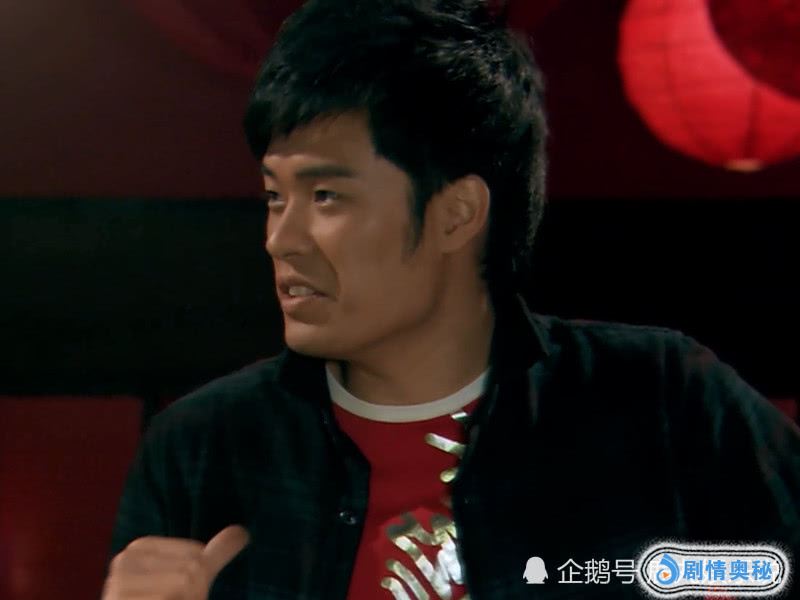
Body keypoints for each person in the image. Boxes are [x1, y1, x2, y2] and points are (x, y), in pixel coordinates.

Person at [103, 0, 800, 599]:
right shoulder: (202, 450)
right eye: (274, 197)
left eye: (326, 196)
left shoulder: (664, 402)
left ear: (455, 214)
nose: (280, 240)